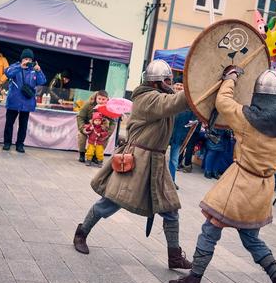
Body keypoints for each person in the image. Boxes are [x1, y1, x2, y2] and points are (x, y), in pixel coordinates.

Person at [168, 69, 276, 283]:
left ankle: (193, 280)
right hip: (263, 187)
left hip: (240, 184)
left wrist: (231, 78)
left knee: (210, 231)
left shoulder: (248, 119)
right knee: (252, 240)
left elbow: (223, 102)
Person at [72, 59, 192, 270]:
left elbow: (180, 104)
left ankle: (174, 255)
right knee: (109, 202)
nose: (171, 83)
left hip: (156, 162)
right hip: (137, 160)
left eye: (171, 80)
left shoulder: (161, 96)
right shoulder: (147, 98)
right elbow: (174, 103)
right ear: (155, 82)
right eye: (166, 80)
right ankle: (81, 233)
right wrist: (196, 87)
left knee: (171, 209)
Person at [3, 49, 46, 153]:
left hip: (27, 103)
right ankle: (7, 143)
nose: (27, 61)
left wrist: (39, 70)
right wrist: (20, 67)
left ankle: (20, 145)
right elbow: (7, 73)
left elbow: (42, 81)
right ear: (22, 59)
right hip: (14, 101)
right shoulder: (16, 66)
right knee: (9, 123)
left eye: (30, 59)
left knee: (23, 125)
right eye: (26, 58)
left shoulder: (34, 70)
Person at [168, 77, 196, 184]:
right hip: (165, 134)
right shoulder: (167, 98)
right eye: (177, 84)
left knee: (174, 160)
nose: (179, 87)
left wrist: (194, 121)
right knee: (158, 158)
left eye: (181, 85)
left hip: (179, 136)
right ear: (173, 86)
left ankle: (171, 182)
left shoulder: (188, 102)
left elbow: (194, 116)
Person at [76, 91, 112, 163]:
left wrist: (107, 133)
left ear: (107, 99)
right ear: (96, 98)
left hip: (100, 129)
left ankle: (96, 156)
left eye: (103, 99)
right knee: (81, 135)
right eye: (99, 99)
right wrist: (83, 128)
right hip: (89, 127)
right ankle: (82, 154)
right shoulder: (88, 104)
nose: (101, 101)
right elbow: (80, 117)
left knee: (105, 139)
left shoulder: (109, 108)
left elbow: (113, 122)